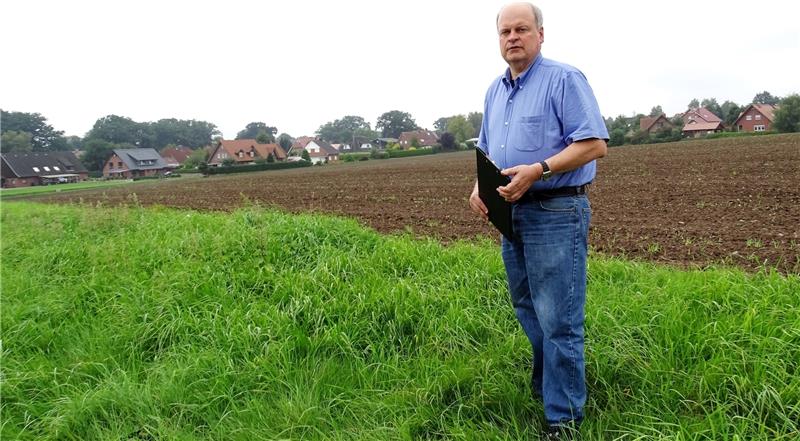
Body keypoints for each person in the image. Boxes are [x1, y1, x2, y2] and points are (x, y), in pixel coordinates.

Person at [468, 2, 608, 438]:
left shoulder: (564, 79)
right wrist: (479, 186)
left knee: (559, 317)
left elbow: (593, 145)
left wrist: (539, 169)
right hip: (512, 212)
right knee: (528, 306)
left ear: (540, 35)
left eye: (522, 29)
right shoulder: (494, 91)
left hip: (556, 210)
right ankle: (552, 386)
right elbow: (489, 152)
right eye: (505, 31)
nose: (513, 37)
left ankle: (562, 419)